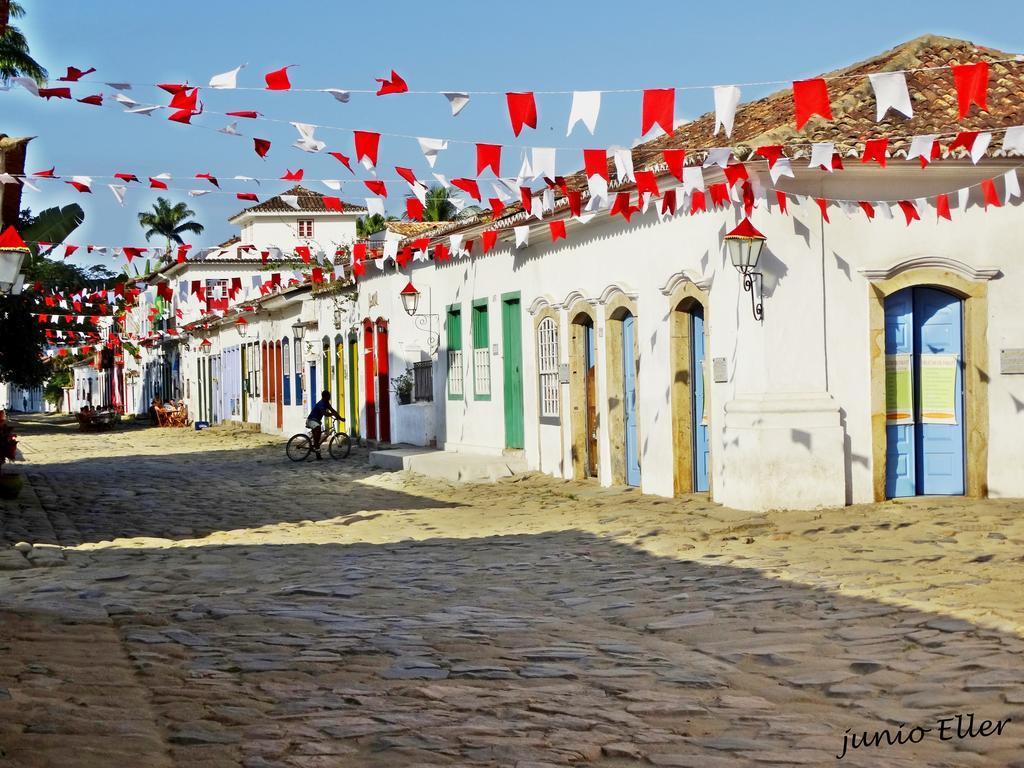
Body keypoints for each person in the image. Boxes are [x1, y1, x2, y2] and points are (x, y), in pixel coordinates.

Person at [306, 390, 342, 458]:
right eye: (329, 396)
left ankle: (317, 452)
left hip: (316, 421)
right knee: (318, 429)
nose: (329, 398)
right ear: (325, 397)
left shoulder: (326, 403)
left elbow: (333, 410)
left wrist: (340, 418)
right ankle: (316, 447)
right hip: (311, 420)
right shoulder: (321, 403)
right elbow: (325, 413)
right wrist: (332, 414)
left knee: (318, 434)